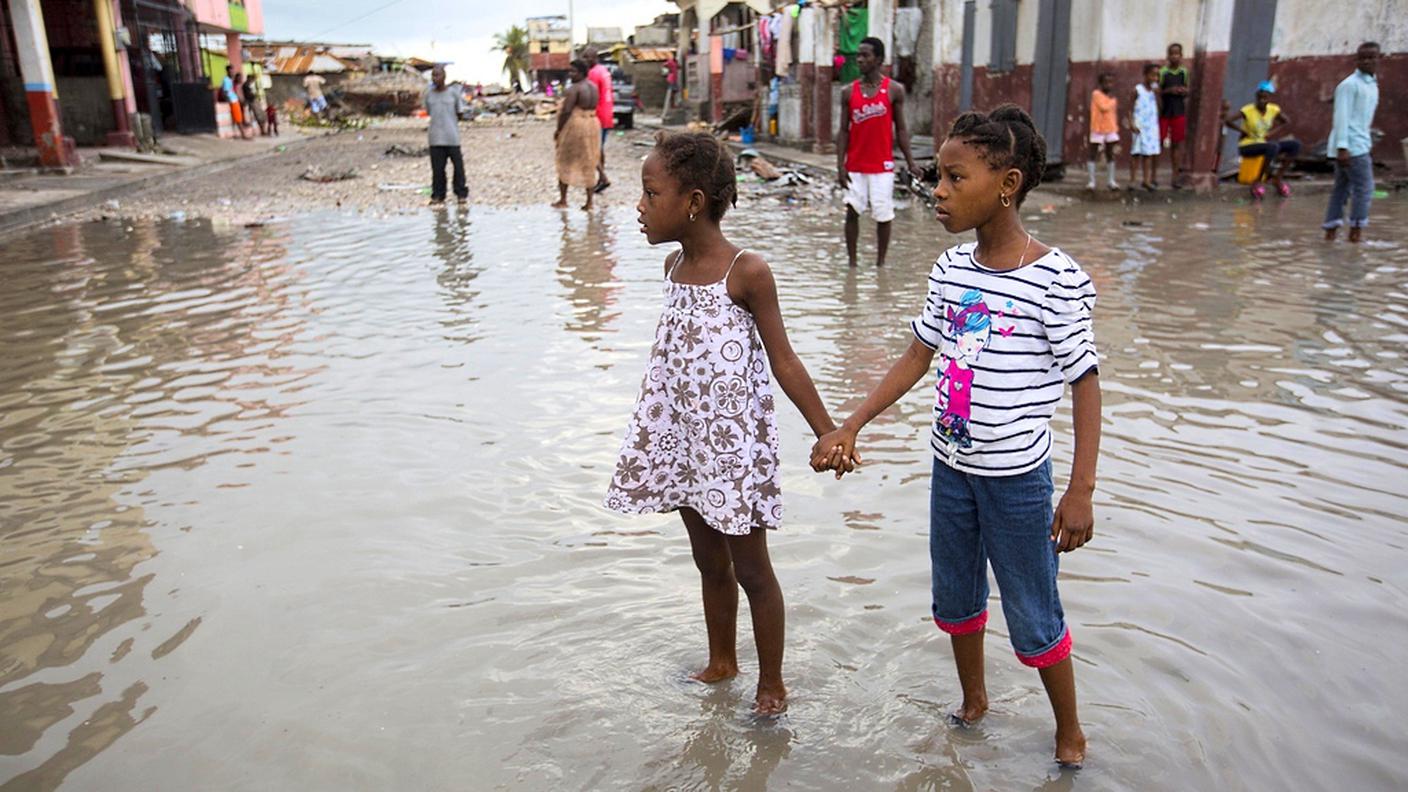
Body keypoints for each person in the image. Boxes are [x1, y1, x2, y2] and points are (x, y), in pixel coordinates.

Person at [812, 105, 1100, 769]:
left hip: (1019, 482)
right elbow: (919, 355)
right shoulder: (951, 269)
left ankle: (1070, 731)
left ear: (1007, 184)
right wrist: (852, 422)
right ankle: (974, 700)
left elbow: (1086, 384)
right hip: (952, 469)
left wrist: (1080, 490)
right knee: (957, 597)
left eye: (953, 177)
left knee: (1033, 610)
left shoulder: (1054, 280)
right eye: (937, 176)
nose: (936, 190)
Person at [604, 131, 843, 716]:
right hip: (684, 440)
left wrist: (827, 430)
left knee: (752, 569)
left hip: (730, 450)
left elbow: (784, 357)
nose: (639, 205)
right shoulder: (673, 265)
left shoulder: (746, 271)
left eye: (650, 192)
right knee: (709, 562)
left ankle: (772, 685)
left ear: (693, 200)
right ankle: (721, 662)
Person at [836, 37, 918, 268]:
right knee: (852, 211)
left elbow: (901, 129)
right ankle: (852, 264)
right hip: (855, 165)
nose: (860, 59)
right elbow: (843, 131)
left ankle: (880, 265)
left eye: (865, 55)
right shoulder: (847, 92)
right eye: (858, 56)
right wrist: (839, 165)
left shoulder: (894, 90)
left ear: (879, 59)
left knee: (883, 214)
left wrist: (911, 162)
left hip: (882, 166)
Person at [1323, 42, 1381, 243]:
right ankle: (1356, 233)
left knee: (1341, 189)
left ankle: (1330, 232)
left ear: (1378, 59)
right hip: (1350, 147)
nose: (1367, 61)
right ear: (1356, 60)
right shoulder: (1349, 85)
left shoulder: (1372, 85)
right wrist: (1342, 148)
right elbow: (1341, 118)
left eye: (1371, 57)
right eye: (1362, 57)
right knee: (1365, 189)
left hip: (1360, 144)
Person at [1224, 80, 1301, 199]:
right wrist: (1242, 131)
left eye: (1265, 97)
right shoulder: (1248, 110)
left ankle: (1277, 178)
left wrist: (1271, 133)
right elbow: (1228, 121)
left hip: (1263, 143)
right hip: (1247, 145)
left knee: (1295, 145)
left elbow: (1285, 121)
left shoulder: (1273, 109)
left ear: (1270, 98)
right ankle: (1258, 180)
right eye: (1260, 97)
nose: (1262, 100)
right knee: (1273, 147)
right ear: (1256, 97)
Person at [553, 59, 602, 210]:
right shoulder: (593, 87)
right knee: (590, 160)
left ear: (581, 73)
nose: (570, 74)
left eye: (573, 71)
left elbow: (566, 110)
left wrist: (559, 129)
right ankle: (589, 202)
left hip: (577, 124)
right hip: (593, 123)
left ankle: (563, 200)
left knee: (565, 160)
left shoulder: (574, 88)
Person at [423, 64, 468, 204]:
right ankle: (438, 195)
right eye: (433, 76)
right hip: (435, 138)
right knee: (438, 170)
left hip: (452, 137)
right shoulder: (428, 95)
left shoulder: (453, 93)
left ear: (444, 77)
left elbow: (460, 113)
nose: (435, 78)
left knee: (458, 168)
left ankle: (461, 194)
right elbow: (429, 112)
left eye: (438, 75)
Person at [1158, 43, 1191, 188]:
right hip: (1165, 111)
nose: (1174, 56)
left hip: (1178, 110)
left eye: (1177, 53)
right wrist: (1169, 90)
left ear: (1181, 55)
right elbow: (1158, 91)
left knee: (1176, 145)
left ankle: (1175, 177)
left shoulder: (1184, 72)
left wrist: (1184, 91)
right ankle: (1153, 175)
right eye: (1172, 54)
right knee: (1158, 142)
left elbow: (1187, 89)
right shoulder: (1163, 72)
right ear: (1168, 56)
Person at [584, 50, 616, 193]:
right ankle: (600, 179)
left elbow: (590, 95)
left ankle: (603, 177)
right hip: (607, 113)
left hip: (597, 115)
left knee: (591, 149)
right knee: (599, 148)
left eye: (587, 57)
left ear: (594, 57)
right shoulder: (604, 71)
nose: (585, 60)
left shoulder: (593, 74)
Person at [1128, 63, 1161, 191]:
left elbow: (1159, 107)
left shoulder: (1155, 92)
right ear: (1146, 75)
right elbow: (1130, 107)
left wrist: (1158, 94)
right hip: (1139, 125)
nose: (1155, 78)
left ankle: (1146, 180)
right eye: (1153, 75)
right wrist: (1131, 123)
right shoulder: (1138, 90)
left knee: (1148, 154)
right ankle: (1132, 180)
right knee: (1136, 153)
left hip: (1151, 125)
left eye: (1157, 76)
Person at [1086, 72, 1120, 190]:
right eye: (1106, 82)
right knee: (1093, 153)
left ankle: (1111, 180)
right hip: (1098, 128)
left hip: (1110, 128)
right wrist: (1113, 101)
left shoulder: (1110, 97)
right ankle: (1091, 181)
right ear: (1101, 84)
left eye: (1111, 82)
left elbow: (1112, 114)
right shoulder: (1096, 94)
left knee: (1110, 153)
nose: (1109, 85)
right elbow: (1104, 107)